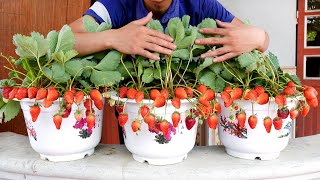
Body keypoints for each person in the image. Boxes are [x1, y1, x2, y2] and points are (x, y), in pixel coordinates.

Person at [69, 0, 269, 63]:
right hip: (133, 111)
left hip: (186, 109)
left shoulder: (200, 4)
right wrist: (113, 37)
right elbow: (67, 39)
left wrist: (260, 37)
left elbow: (257, 40)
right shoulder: (117, 3)